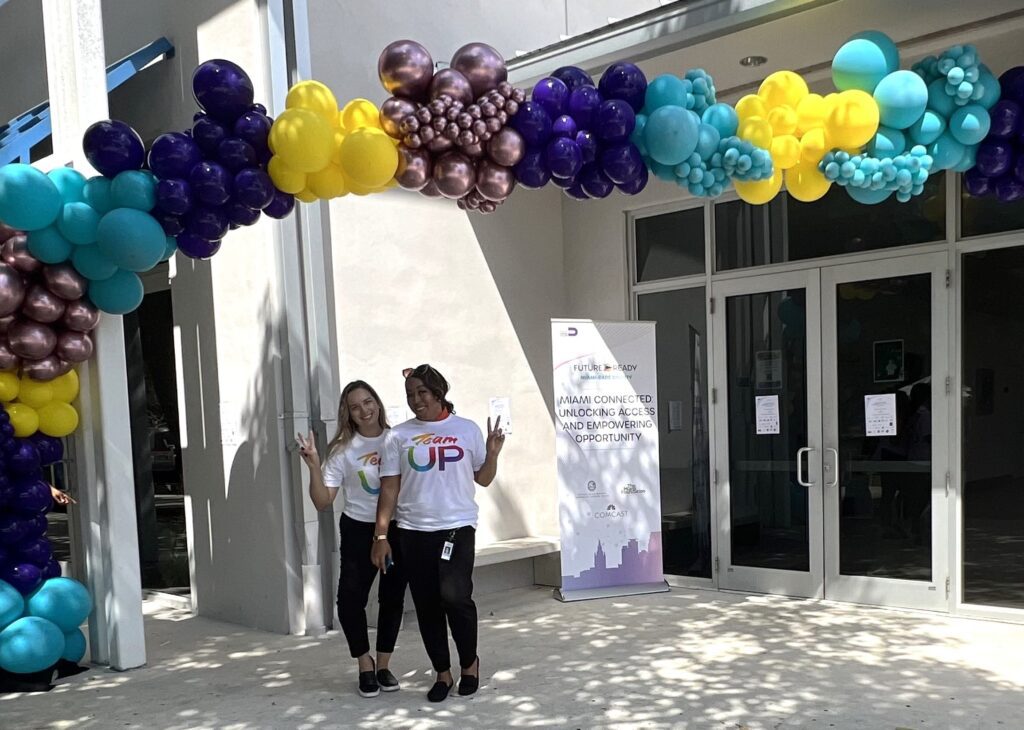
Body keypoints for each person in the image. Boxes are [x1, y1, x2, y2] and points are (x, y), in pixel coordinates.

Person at [371, 364, 505, 703]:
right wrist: (381, 536)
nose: (416, 400)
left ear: (439, 393)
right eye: (411, 394)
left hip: (457, 528)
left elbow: (484, 479)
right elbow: (389, 489)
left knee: (456, 598)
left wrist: (491, 455)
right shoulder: (397, 436)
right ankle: (442, 673)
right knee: (427, 605)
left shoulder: (466, 429)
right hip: (414, 532)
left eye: (423, 393)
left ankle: (470, 665)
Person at [296, 380, 407, 699]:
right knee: (349, 602)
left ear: (378, 403)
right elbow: (322, 501)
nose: (364, 410)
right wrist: (314, 465)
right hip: (359, 529)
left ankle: (384, 665)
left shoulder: (397, 440)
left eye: (369, 401)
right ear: (348, 413)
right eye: (356, 406)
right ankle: (365, 663)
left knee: (392, 598)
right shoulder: (343, 449)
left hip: (400, 529)